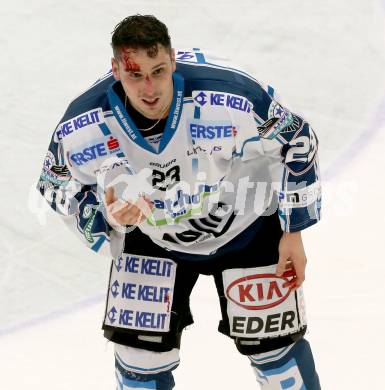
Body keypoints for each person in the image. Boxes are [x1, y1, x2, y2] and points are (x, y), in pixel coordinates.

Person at [37, 14, 322, 390]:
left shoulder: (231, 96)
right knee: (139, 364)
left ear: (173, 59)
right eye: (135, 75)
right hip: (153, 237)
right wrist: (106, 218)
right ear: (115, 69)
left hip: (248, 225)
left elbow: (298, 141)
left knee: (277, 356)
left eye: (158, 71)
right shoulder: (81, 124)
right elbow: (54, 186)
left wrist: (293, 231)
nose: (150, 88)